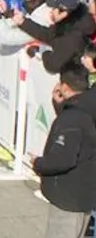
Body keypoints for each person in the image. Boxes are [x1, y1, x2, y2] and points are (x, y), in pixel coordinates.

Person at [32, 65, 96, 238]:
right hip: (85, 194)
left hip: (69, 197)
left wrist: (38, 163)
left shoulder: (73, 118)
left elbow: (63, 159)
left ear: (64, 86)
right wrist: (60, 107)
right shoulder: (85, 109)